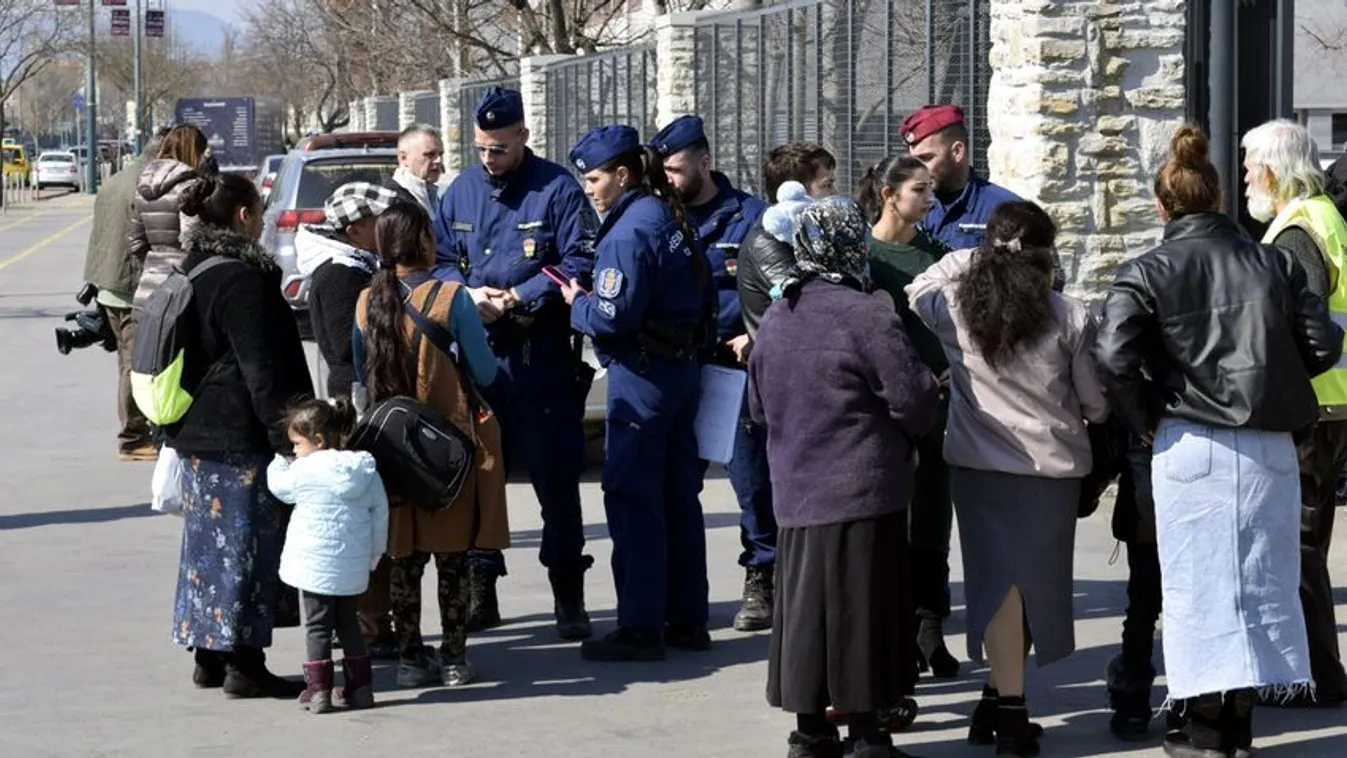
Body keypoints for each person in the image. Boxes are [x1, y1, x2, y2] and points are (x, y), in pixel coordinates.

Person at [1094, 124, 1340, 757]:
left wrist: (1146, 412)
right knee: (1260, 579)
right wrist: (1271, 380)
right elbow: (1323, 342)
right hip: (1266, 445)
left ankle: (1202, 727)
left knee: (1197, 586)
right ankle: (1234, 723)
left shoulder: (1148, 267)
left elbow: (1112, 355)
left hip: (1190, 438)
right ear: (1221, 199)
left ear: (1162, 206)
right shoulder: (1275, 260)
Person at [906, 200, 1108, 756]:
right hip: (1050, 470)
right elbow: (1095, 404)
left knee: (997, 586)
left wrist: (979, 254)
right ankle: (1012, 714)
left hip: (978, 467)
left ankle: (997, 700)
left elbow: (919, 284)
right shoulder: (1069, 314)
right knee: (1030, 587)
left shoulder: (954, 308)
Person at [750, 195, 937, 758]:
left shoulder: (779, 317)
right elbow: (913, 399)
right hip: (862, 486)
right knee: (863, 612)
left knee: (806, 613)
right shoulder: (867, 313)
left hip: (798, 491)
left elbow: (758, 409)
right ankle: (867, 736)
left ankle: (811, 732)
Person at [432, 86, 597, 639]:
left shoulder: (556, 189)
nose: (489, 158)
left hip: (540, 356)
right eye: (481, 147)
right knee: (480, 479)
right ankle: (484, 589)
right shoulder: (459, 191)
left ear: (523, 136)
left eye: (499, 147)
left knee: (556, 480)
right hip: (479, 360)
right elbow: (437, 260)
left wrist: (519, 297)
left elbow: (577, 259)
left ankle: (568, 593)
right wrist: (467, 294)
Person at [560, 124, 713, 662]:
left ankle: (643, 626)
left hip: (642, 379)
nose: (589, 188)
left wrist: (574, 302)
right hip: (677, 371)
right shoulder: (664, 212)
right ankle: (688, 619)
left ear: (623, 174)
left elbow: (610, 317)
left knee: (634, 500)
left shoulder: (628, 233)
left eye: (595, 178)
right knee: (677, 496)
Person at [166, 172, 314, 699]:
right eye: (261, 210)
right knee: (247, 550)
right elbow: (263, 372)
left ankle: (209, 656)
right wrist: (292, 439)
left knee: (208, 551)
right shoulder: (243, 281)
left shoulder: (195, 267)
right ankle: (245, 665)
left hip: (196, 435)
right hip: (239, 438)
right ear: (244, 217)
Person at [353, 201, 510, 689]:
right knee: (452, 559)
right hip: (447, 448)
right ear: (422, 240)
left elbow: (361, 373)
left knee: (404, 558)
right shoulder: (450, 298)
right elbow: (484, 371)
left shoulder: (366, 302)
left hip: (390, 450)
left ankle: (408, 658)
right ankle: (455, 658)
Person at [652, 114, 772, 630]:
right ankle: (681, 591)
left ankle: (762, 575)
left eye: (677, 170)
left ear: (704, 162)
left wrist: (759, 335)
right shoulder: (660, 214)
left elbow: (783, 292)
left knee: (750, 480)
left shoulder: (750, 217)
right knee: (677, 483)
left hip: (732, 367)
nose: (670, 180)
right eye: (664, 171)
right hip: (679, 365)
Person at [1242, 118, 1347, 708]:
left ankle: (1314, 676)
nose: (1246, 175)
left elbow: (1298, 329)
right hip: (1330, 402)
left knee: (1297, 543)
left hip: (1314, 406)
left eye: (1251, 163)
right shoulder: (1319, 217)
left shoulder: (1297, 231)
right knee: (1304, 541)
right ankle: (1314, 672)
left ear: (1275, 170)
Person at [857, 154, 959, 681]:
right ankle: (897, 632)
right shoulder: (865, 257)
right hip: (884, 410)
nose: (929, 199)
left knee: (933, 522)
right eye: (920, 190)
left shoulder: (936, 254)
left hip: (936, 406)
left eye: (931, 189)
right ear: (889, 193)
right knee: (890, 524)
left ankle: (930, 627)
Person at [266, 398, 389, 714]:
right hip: (352, 564)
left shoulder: (304, 469)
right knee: (349, 623)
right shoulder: (364, 470)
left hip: (314, 565)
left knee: (318, 626)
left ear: (317, 440)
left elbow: (280, 487)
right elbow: (380, 514)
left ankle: (318, 690)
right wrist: (374, 554)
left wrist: (278, 463)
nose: (294, 450)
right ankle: (361, 688)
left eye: (297, 443)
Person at [81, 126, 168, 461]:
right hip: (132, 285)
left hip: (109, 285)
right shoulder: (148, 185)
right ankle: (132, 437)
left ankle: (137, 430)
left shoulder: (117, 179)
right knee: (134, 363)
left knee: (126, 361)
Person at [739, 142, 838, 341]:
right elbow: (813, 301)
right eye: (827, 185)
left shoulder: (811, 233)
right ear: (794, 192)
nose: (835, 193)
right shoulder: (767, 242)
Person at [898, 104, 1019, 250]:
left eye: (926, 158)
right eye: (914, 161)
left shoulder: (1006, 210)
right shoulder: (908, 207)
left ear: (957, 152)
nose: (917, 169)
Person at [129, 123, 209, 311]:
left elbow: (135, 243)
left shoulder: (143, 187)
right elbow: (192, 241)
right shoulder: (191, 187)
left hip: (148, 292)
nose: (203, 160)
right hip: (182, 294)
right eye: (202, 154)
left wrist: (155, 265)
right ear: (193, 152)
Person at [388, 124, 446, 217]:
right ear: (403, 157)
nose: (439, 160)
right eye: (430, 154)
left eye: (440, 154)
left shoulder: (437, 197)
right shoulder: (392, 202)